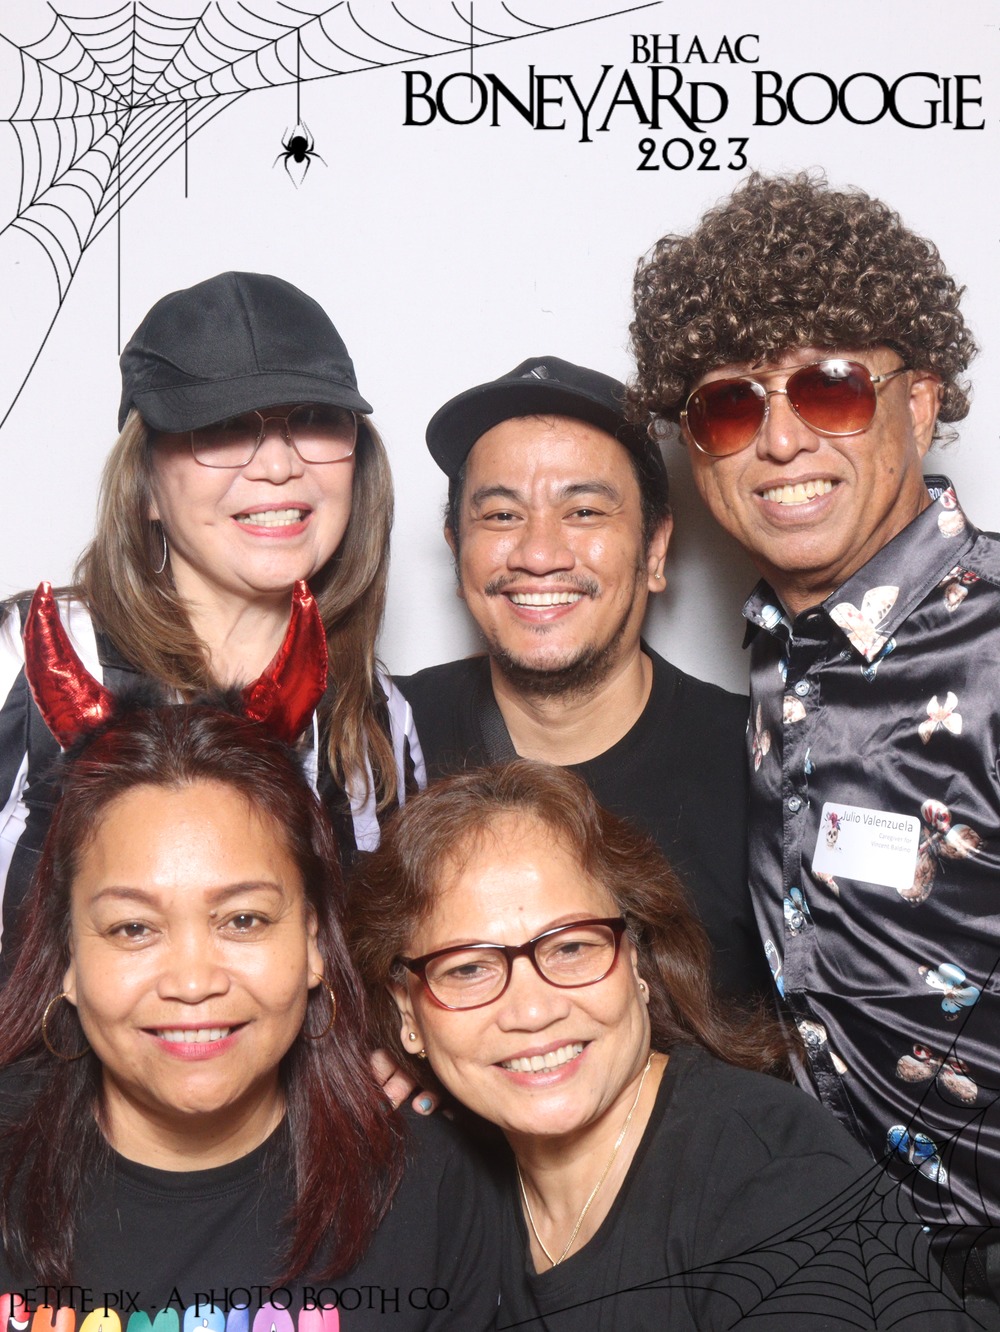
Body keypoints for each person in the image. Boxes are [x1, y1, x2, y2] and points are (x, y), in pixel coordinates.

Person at [629, 171, 999, 1304]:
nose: (781, 442)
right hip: (847, 1264)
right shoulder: (774, 661)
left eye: (830, 389)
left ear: (919, 405)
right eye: (730, 408)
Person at [0, 600, 498, 1323]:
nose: (193, 982)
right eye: (134, 928)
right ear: (68, 955)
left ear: (315, 944)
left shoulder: (432, 1193)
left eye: (243, 920)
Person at [349, 761, 975, 1331]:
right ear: (407, 1012)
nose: (533, 1011)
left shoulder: (779, 1185)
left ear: (637, 961)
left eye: (572, 947)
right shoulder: (442, 1190)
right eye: (468, 969)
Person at [0, 271, 421, 971]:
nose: (279, 465)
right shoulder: (24, 659)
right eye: (222, 428)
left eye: (313, 420)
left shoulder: (379, 717)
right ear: (145, 488)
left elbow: (387, 975)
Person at [394, 357, 768, 1006]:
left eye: (585, 511)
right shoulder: (378, 742)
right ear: (457, 551)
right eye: (501, 516)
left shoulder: (764, 765)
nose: (539, 554)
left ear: (655, 549)